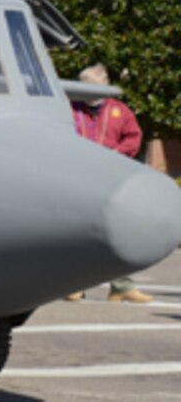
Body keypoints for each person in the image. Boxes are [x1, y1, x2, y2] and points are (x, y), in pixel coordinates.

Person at [69, 63, 153, 304]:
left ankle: (122, 286)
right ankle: (74, 285)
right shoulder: (70, 110)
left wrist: (118, 151)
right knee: (79, 232)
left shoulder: (120, 110)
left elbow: (133, 137)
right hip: (79, 178)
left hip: (111, 178)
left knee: (119, 231)